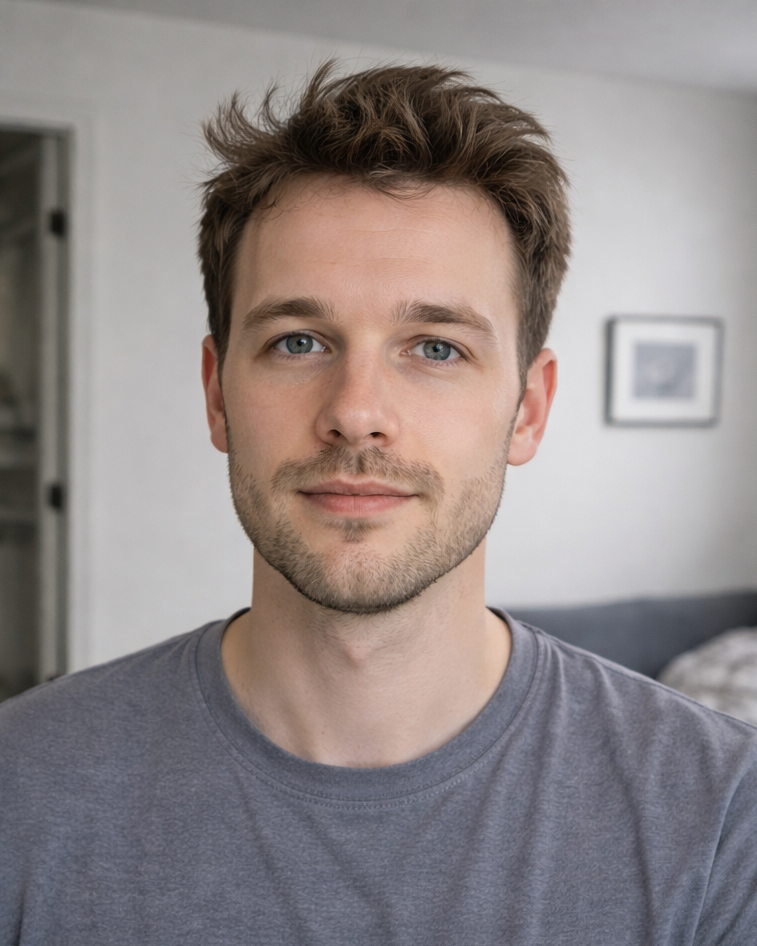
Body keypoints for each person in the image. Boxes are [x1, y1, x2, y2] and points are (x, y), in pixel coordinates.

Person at [1, 62, 756, 946]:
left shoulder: (720, 815)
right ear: (216, 394)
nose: (355, 411)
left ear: (529, 407)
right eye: (297, 340)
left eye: (434, 347)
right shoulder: (21, 785)